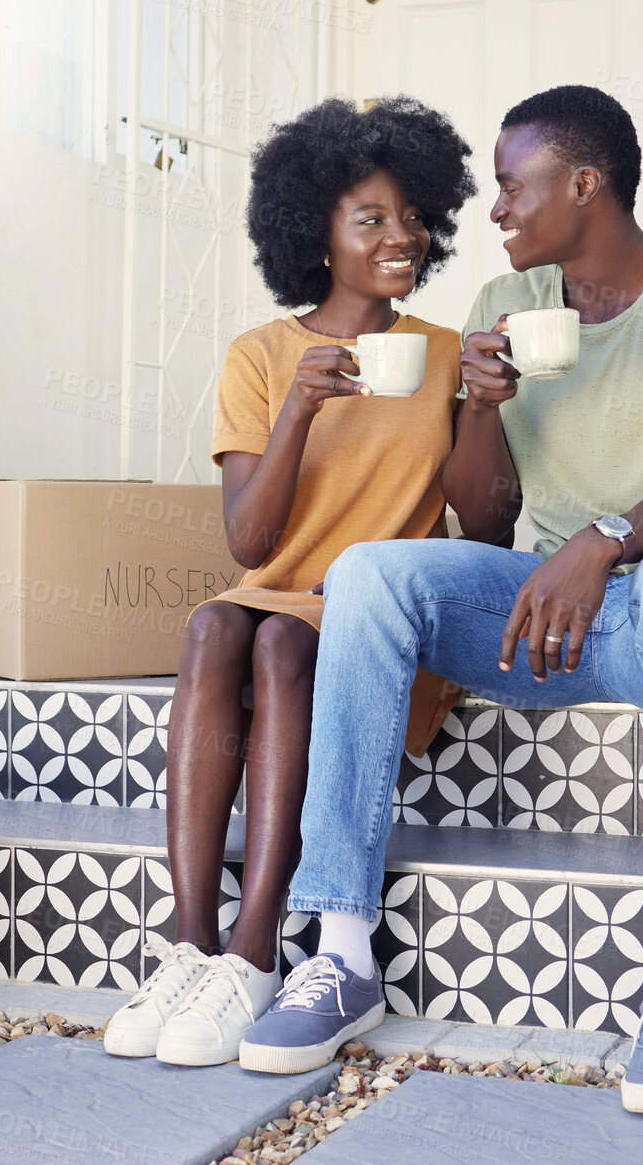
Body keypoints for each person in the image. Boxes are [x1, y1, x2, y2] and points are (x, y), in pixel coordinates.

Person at [241, 84, 643, 1116]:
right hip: (534, 613)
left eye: (509, 187)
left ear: (584, 185)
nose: (490, 212)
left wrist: (606, 539)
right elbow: (484, 525)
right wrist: (480, 413)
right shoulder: (504, 310)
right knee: (369, 573)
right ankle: (340, 947)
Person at [103, 95, 479, 1067]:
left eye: (410, 217)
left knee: (278, 639)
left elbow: (489, 521)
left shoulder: (446, 355)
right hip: (275, 599)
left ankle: (256, 945)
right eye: (371, 219)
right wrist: (299, 415)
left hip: (377, 624)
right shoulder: (261, 357)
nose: (401, 236)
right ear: (313, 232)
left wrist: (480, 405)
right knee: (215, 628)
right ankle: (191, 941)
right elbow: (249, 545)